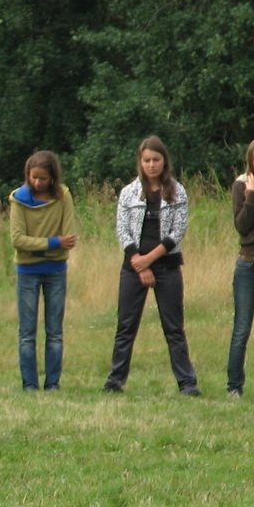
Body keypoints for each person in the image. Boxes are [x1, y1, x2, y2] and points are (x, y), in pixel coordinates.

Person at [103, 135, 199, 395]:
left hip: (167, 266)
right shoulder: (128, 192)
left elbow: (177, 231)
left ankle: (187, 382)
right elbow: (122, 230)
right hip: (133, 266)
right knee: (126, 326)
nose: (151, 165)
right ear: (140, 162)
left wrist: (150, 259)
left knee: (173, 327)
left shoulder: (177, 192)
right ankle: (115, 381)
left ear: (164, 161)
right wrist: (140, 263)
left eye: (156, 160)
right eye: (147, 160)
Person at [9, 151, 78, 391]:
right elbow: (17, 240)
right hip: (26, 272)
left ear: (53, 177)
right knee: (27, 333)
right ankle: (29, 384)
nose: (37, 182)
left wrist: (36, 247)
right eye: (34, 177)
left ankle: (52, 384)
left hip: (56, 271)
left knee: (55, 332)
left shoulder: (64, 197)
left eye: (43, 178)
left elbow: (69, 239)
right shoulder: (18, 199)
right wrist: (53, 243)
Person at [227, 138, 254, 397]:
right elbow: (242, 226)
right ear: (250, 159)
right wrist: (253, 195)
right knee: (242, 328)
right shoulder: (241, 185)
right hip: (249, 263)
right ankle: (234, 386)